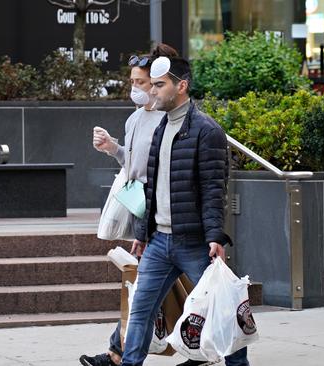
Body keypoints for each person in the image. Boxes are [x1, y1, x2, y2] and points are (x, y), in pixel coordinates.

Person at [120, 56, 250, 366]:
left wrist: (215, 236)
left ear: (181, 86)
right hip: (159, 242)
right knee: (141, 308)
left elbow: (214, 188)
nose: (153, 91)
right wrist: (142, 232)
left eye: (159, 85)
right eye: (151, 85)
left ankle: (238, 364)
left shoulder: (207, 131)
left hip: (193, 242)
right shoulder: (160, 127)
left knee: (221, 306)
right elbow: (151, 186)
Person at [80, 44, 179, 366]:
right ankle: (121, 352)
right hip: (147, 215)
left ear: (158, 83)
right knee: (148, 294)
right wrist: (113, 149)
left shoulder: (172, 119)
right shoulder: (136, 118)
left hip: (169, 218)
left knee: (149, 294)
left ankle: (119, 353)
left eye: (141, 82)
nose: (135, 88)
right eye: (133, 81)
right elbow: (134, 165)